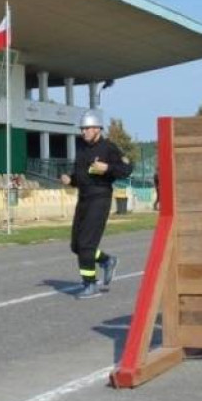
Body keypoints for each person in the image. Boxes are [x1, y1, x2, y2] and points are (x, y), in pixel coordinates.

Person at [60, 110, 133, 300]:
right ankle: (107, 260)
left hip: (100, 198)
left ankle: (90, 284)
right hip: (83, 198)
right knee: (76, 245)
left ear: (97, 128)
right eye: (82, 129)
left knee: (86, 244)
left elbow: (126, 169)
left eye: (87, 128)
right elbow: (82, 174)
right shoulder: (81, 147)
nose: (84, 132)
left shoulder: (109, 148)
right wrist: (71, 180)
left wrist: (108, 168)